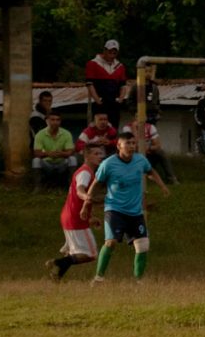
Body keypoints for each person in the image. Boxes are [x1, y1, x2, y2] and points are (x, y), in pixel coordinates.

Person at [88, 132, 170, 284]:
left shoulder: (140, 160)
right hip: (114, 209)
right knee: (111, 242)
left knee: (143, 245)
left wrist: (162, 186)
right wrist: (88, 200)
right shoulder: (108, 164)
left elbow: (151, 171)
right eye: (128, 143)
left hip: (135, 211)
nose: (132, 146)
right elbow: (97, 183)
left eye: (133, 143)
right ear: (119, 145)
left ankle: (139, 281)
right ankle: (98, 278)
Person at [46, 146, 106, 282]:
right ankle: (57, 263)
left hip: (69, 216)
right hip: (75, 217)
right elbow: (80, 190)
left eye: (101, 154)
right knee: (91, 254)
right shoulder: (85, 173)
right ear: (87, 156)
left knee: (72, 252)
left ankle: (57, 276)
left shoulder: (86, 172)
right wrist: (86, 197)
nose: (100, 156)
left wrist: (90, 217)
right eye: (96, 153)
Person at [85, 39, 129, 132]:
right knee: (98, 128)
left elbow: (123, 85)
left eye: (114, 52)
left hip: (114, 102)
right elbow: (90, 84)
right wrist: (97, 100)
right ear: (104, 50)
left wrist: (120, 99)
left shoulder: (120, 66)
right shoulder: (93, 63)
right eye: (110, 51)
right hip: (100, 102)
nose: (112, 54)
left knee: (113, 129)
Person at [122, 118, 178, 185]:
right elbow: (132, 145)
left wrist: (148, 148)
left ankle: (171, 178)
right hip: (134, 155)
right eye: (137, 117)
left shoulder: (150, 127)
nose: (139, 119)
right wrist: (134, 129)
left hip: (149, 154)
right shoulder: (127, 128)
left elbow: (157, 145)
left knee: (161, 152)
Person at [33, 112, 78, 192]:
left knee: (72, 159)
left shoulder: (66, 134)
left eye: (58, 120)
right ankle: (38, 187)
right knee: (36, 161)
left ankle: (72, 187)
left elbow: (70, 151)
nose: (55, 122)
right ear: (47, 121)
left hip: (61, 163)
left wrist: (61, 154)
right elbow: (37, 153)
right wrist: (48, 154)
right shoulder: (40, 134)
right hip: (47, 164)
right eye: (52, 120)